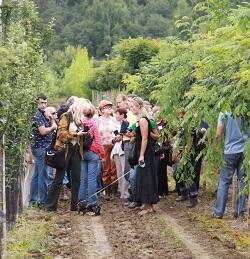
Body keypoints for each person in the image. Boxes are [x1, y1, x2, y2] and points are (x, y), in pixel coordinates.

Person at [44, 98, 91, 211]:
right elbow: (61, 134)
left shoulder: (79, 119)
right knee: (59, 178)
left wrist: (84, 135)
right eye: (84, 110)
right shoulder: (66, 116)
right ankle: (50, 206)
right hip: (65, 150)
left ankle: (74, 206)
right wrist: (75, 134)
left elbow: (78, 135)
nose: (86, 112)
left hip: (76, 150)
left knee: (77, 178)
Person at [213, 112, 249, 219]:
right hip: (245, 151)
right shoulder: (246, 109)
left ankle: (219, 212)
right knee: (243, 181)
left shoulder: (225, 111)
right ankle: (240, 213)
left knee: (224, 181)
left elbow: (219, 132)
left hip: (230, 151)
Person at [130, 97, 159, 215]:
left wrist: (141, 155)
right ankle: (148, 205)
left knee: (146, 177)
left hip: (146, 153)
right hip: (143, 152)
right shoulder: (139, 120)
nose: (130, 109)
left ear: (139, 107)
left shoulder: (143, 120)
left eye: (132, 106)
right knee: (144, 177)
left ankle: (148, 206)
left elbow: (145, 138)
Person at [29, 93, 57, 207]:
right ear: (37, 103)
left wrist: (50, 118)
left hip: (43, 147)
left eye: (45, 102)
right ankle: (43, 201)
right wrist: (52, 127)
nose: (44, 105)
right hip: (40, 148)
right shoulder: (37, 116)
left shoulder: (43, 114)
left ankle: (33, 200)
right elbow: (43, 131)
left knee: (36, 175)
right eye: (41, 102)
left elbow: (53, 124)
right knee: (43, 174)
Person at [79, 104, 105, 216]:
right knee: (92, 179)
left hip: (82, 153)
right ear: (93, 113)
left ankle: (82, 203)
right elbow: (98, 140)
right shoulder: (93, 124)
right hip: (92, 152)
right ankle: (93, 203)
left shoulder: (80, 124)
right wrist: (101, 153)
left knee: (83, 178)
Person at [98, 100, 118, 198]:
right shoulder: (98, 120)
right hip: (103, 146)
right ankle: (107, 191)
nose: (110, 109)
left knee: (114, 167)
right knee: (105, 168)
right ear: (102, 109)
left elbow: (117, 132)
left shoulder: (114, 120)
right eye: (107, 107)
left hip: (114, 145)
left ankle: (114, 190)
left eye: (110, 107)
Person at [111, 108, 130, 202]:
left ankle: (126, 193)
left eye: (118, 114)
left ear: (122, 115)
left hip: (123, 149)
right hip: (116, 150)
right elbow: (112, 137)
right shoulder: (114, 125)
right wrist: (114, 139)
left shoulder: (126, 124)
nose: (116, 116)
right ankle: (122, 192)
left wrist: (121, 137)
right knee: (119, 172)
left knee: (124, 171)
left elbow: (128, 135)